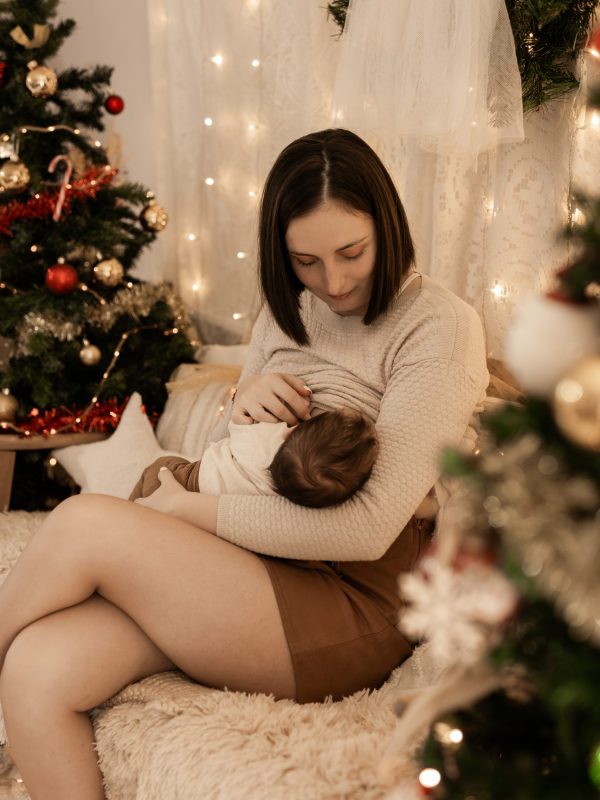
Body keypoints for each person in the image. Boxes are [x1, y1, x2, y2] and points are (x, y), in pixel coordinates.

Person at [0, 128, 488, 800]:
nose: (334, 282)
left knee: (84, 523)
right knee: (34, 669)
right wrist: (244, 404)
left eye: (352, 252)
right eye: (306, 261)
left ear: (388, 226)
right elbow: (243, 457)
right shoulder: (286, 312)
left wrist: (184, 508)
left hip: (349, 598)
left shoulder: (438, 324)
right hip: (248, 568)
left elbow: (370, 527)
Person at [130, 406, 379, 509]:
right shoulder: (282, 497)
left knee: (159, 466)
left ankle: (129, 508)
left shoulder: (264, 437)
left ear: (293, 430)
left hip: (186, 478)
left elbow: (237, 423)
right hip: (206, 516)